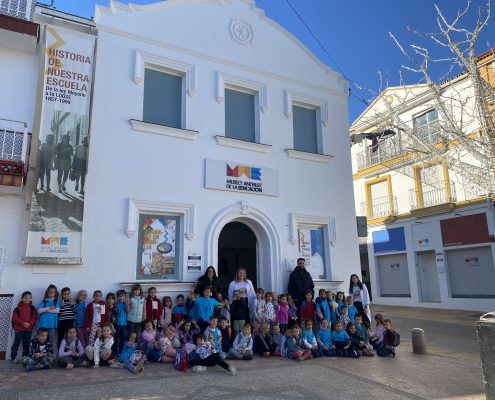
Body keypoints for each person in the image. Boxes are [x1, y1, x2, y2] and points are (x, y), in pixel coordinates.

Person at [10, 291, 37, 363]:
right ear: (22, 299)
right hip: (19, 329)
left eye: (29, 298)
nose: (27, 299)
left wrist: (29, 323)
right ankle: (13, 357)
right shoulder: (17, 308)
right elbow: (15, 318)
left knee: (26, 344)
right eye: (25, 298)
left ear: (31, 299)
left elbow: (34, 317)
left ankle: (25, 357)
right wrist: (23, 323)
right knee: (16, 343)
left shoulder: (32, 308)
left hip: (28, 329)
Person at [37, 284, 60, 354]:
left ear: (55, 293)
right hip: (43, 323)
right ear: (47, 292)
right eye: (50, 292)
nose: (51, 293)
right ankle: (40, 354)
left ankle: (49, 354)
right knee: (41, 339)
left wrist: (47, 310)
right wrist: (49, 308)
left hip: (52, 324)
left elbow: (57, 311)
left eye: (53, 292)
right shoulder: (44, 301)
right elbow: (39, 311)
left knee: (50, 339)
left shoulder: (56, 301)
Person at [115, 290, 128, 354]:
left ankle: (121, 350)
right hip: (118, 324)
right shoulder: (116, 304)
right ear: (117, 297)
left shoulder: (126, 304)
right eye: (120, 296)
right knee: (117, 337)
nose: (121, 297)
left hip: (125, 324)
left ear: (125, 297)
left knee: (123, 338)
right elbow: (115, 313)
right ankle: (116, 351)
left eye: (123, 296)